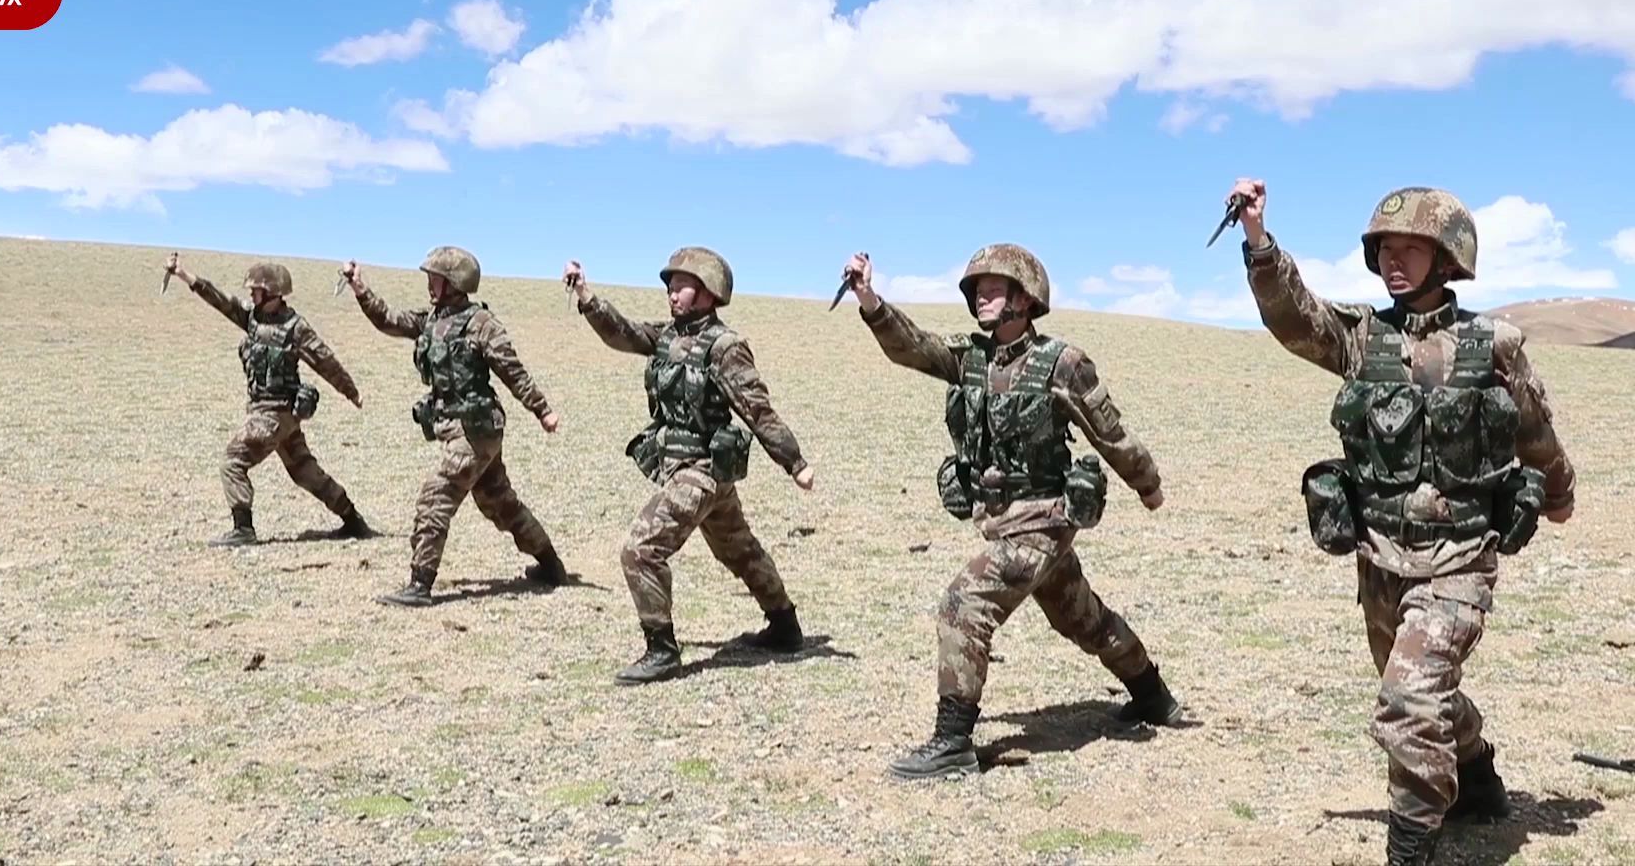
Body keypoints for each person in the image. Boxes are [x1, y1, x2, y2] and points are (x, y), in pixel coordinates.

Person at [1231, 179, 1576, 866]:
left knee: (1409, 700)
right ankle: (1476, 779)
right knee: (1424, 692)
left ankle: (1411, 849)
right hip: (1380, 557)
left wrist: (1559, 492)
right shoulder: (1364, 338)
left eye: (1410, 248)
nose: (1393, 260)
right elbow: (1293, 319)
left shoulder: (1493, 343)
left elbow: (1535, 427)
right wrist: (1258, 240)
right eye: (1385, 248)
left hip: (1461, 558)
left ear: (1448, 257)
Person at [842, 244, 1181, 781]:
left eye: (994, 287)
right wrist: (868, 298)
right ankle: (1154, 697)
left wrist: (1148, 486)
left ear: (1025, 299)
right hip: (1001, 522)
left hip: (1044, 520)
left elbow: (1110, 434)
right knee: (1083, 619)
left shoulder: (1061, 363)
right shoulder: (970, 359)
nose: (981, 295)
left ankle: (952, 742)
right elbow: (912, 347)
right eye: (976, 288)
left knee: (963, 605)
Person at [563, 248, 817, 685]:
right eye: (669, 284)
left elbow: (757, 410)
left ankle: (661, 650)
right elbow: (622, 332)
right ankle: (785, 627)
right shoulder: (667, 337)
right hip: (688, 469)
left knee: (641, 549)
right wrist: (587, 296)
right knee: (739, 549)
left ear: (708, 292)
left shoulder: (725, 347)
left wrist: (794, 462)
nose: (671, 293)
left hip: (701, 471)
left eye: (680, 285)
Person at [344, 247, 568, 606]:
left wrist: (542, 410)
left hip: (475, 431)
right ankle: (551, 565)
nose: (429, 284)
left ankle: (420, 584)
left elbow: (513, 371)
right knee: (499, 503)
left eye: (435, 278)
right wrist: (360, 288)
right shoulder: (432, 320)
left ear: (453, 283)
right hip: (459, 430)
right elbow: (389, 320)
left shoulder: (481, 324)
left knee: (436, 497)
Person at [164, 253, 376, 547]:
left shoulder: (294, 327)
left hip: (275, 414)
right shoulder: (252, 318)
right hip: (277, 417)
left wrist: (350, 391)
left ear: (273, 292)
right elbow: (220, 300)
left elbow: (324, 359)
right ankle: (353, 521)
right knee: (305, 472)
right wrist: (184, 274)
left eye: (256, 289)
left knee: (233, 461)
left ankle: (243, 529)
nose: (251, 293)